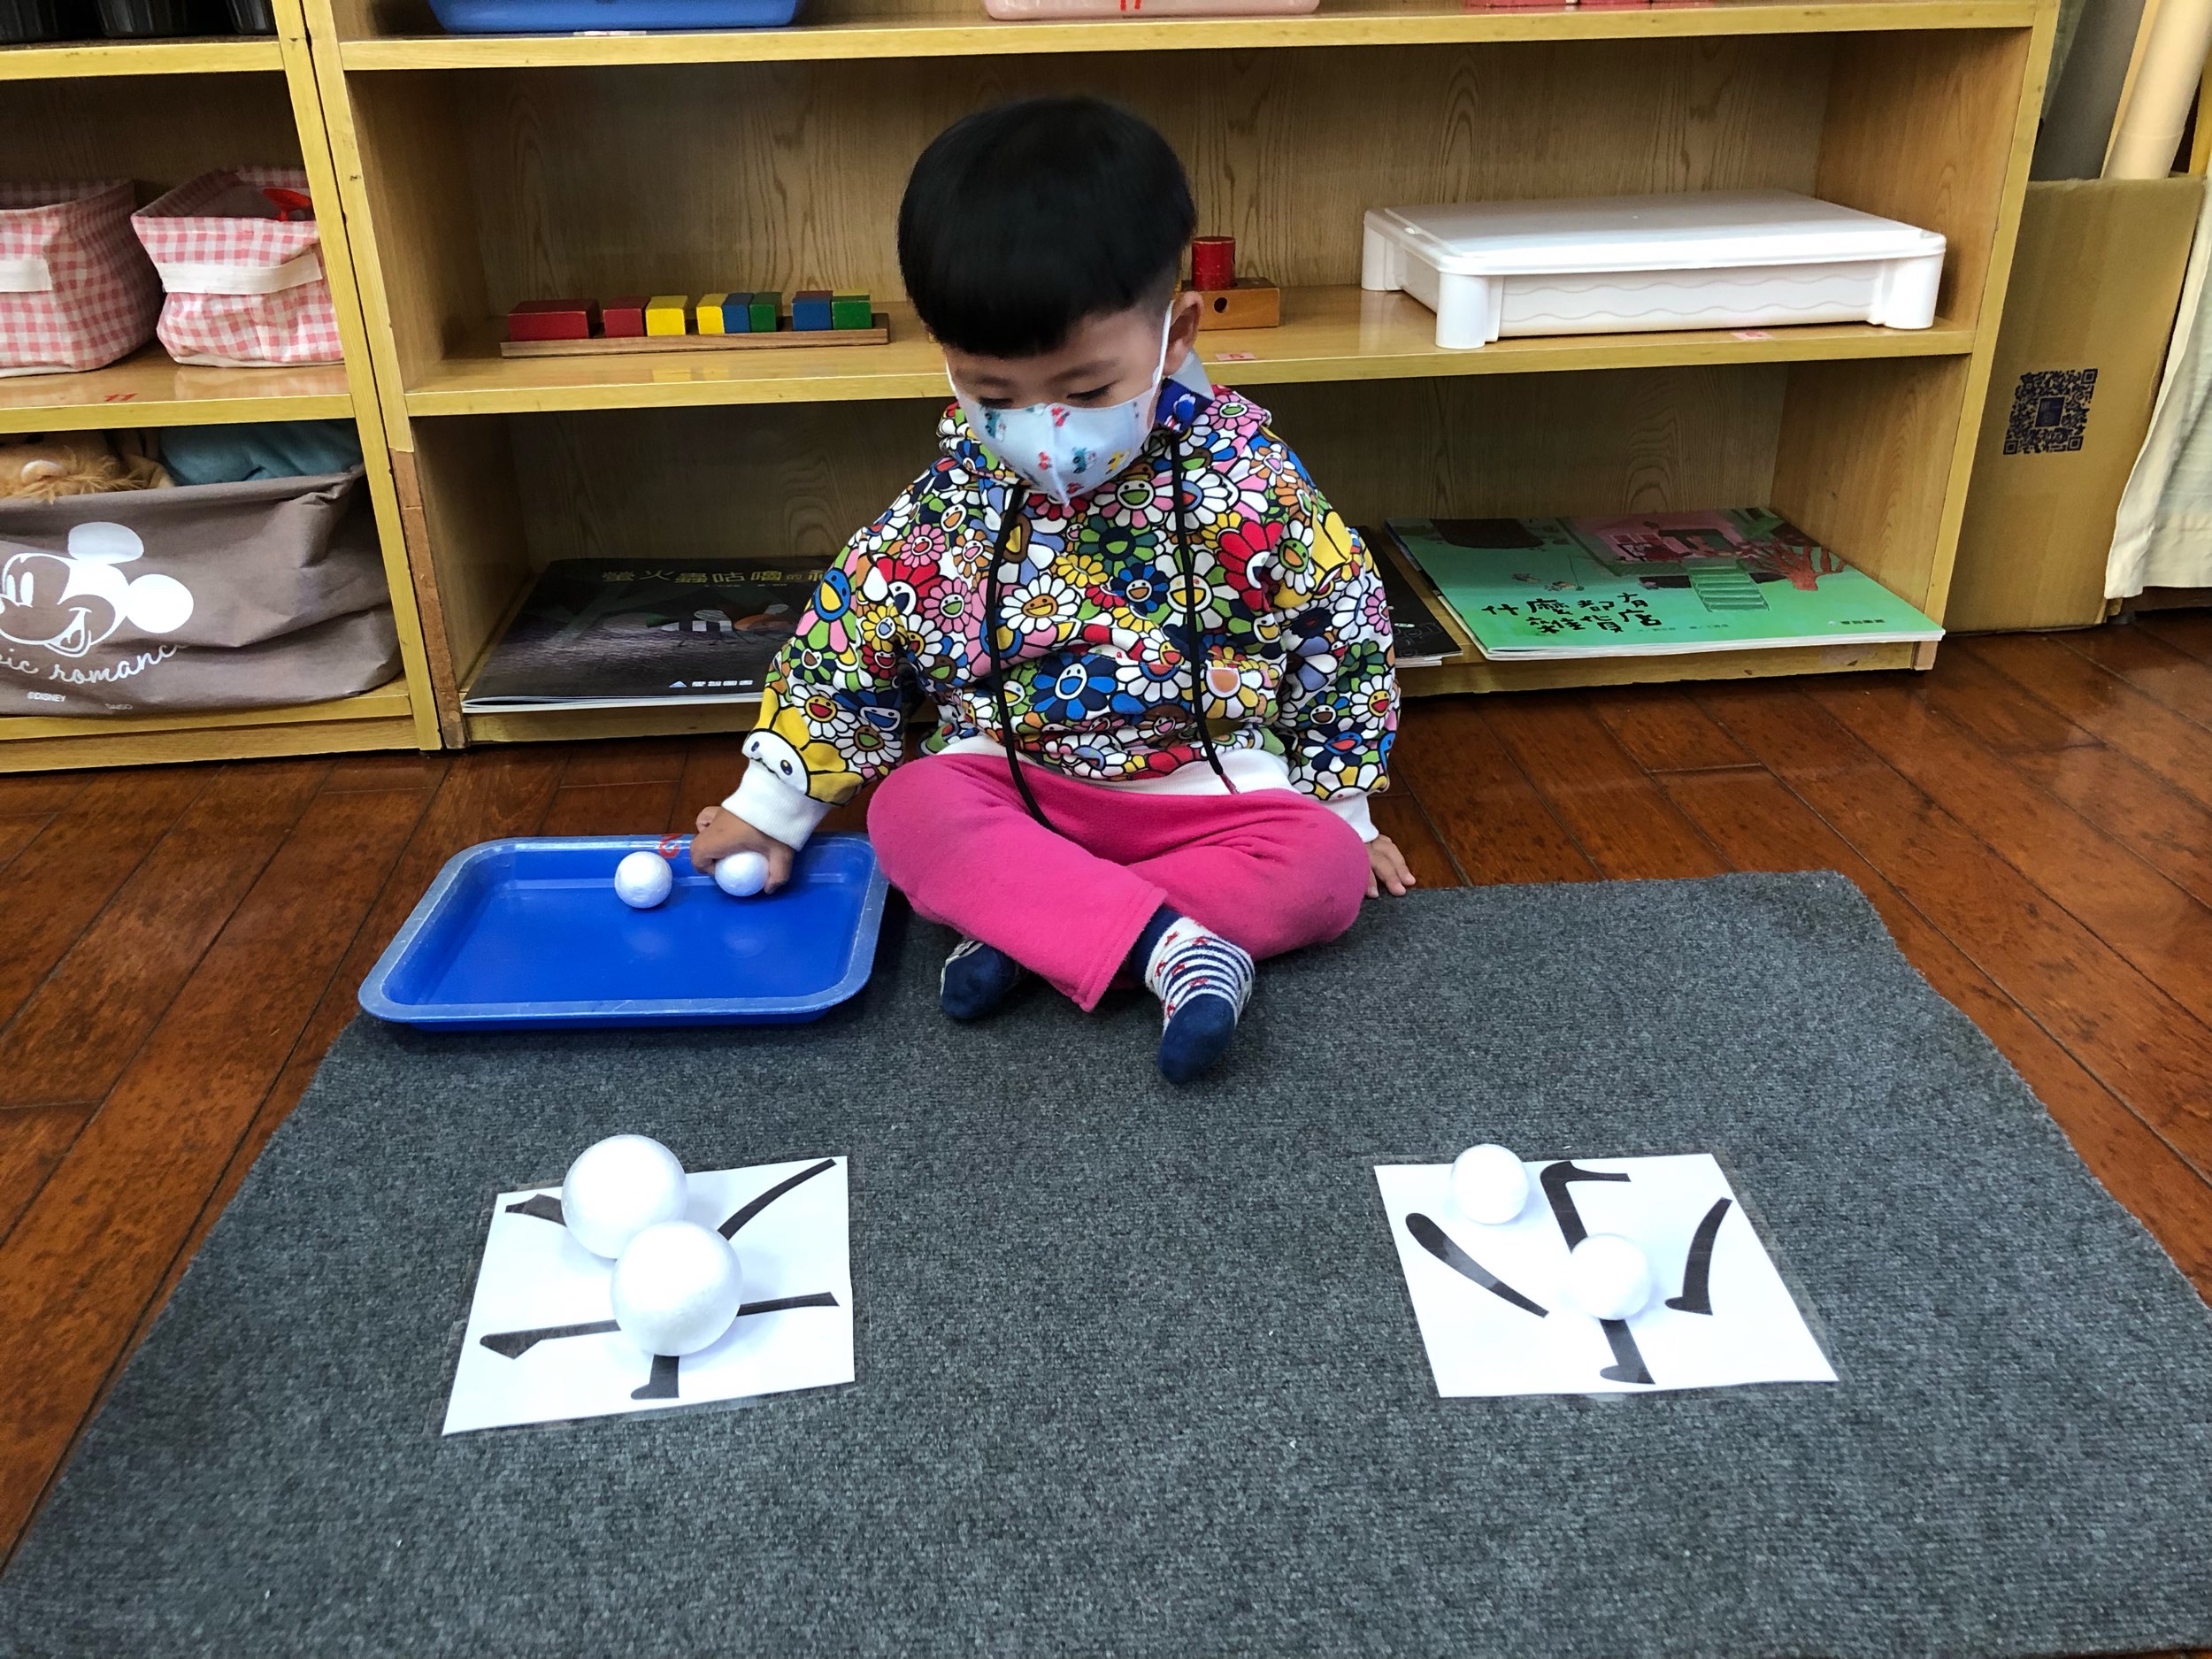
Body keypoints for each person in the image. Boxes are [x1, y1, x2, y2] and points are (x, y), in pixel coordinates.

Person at [691, 95, 1409, 1083]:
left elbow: (1345, 635)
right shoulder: (949, 504)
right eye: (994, 396)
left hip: (1212, 802)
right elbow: (846, 644)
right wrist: (769, 807)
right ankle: (1171, 948)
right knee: (908, 809)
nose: (1044, 432)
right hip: (1013, 789)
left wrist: (1346, 810)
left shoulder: (1256, 488)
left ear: (1176, 333)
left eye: (1084, 390)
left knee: (1323, 873)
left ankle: (1037, 928)